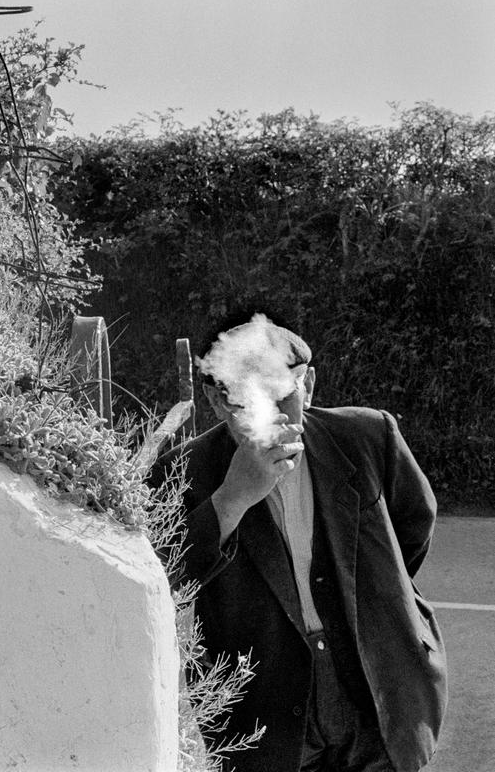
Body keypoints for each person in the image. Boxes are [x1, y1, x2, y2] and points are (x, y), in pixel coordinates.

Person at [148, 311, 446, 772]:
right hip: (264, 710)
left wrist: (376, 601)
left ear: (308, 385)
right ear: (217, 399)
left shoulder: (368, 436)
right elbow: (167, 580)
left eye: (285, 397)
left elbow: (414, 526)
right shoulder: (179, 473)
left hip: (377, 689)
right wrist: (231, 499)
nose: (275, 418)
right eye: (252, 401)